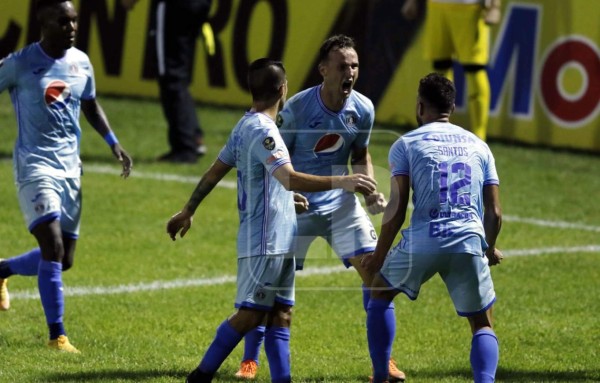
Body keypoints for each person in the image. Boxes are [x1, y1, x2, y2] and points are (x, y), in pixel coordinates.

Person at [166, 58, 377, 383]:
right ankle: (201, 375)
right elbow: (289, 177)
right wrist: (342, 181)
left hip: (281, 238)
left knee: (281, 315)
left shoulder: (244, 126)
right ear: (282, 89)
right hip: (264, 240)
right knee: (251, 314)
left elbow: (216, 172)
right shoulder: (265, 132)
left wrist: (188, 209)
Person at [235, 34, 405, 383]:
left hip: (340, 203)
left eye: (355, 65)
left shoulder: (364, 108)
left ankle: (383, 364)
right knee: (267, 289)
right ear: (323, 70)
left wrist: (369, 190)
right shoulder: (296, 108)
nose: (351, 72)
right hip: (295, 206)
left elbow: (360, 155)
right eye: (343, 66)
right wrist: (283, 196)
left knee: (378, 278)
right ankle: (249, 360)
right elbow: (273, 161)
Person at [0, 0, 132, 352]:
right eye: (63, 21)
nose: (72, 27)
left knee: (64, 258)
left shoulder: (81, 62)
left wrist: (113, 142)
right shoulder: (20, 64)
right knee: (53, 247)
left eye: (74, 21)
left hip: (71, 169)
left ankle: (2, 270)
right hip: (35, 167)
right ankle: (56, 336)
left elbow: (89, 102)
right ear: (44, 22)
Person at [361, 73, 503, 383]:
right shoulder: (480, 146)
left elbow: (396, 208)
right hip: (468, 240)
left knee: (380, 292)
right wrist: (488, 248)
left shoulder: (406, 144)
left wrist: (379, 254)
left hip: (425, 238)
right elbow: (494, 212)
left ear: (420, 105)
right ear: (452, 106)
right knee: (482, 323)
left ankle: (381, 375)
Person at [121, 0, 213, 164]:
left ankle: (185, 147)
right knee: (180, 71)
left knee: (170, 73)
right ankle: (193, 136)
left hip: (174, 6)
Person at [402, 0, 502, 141]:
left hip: (470, 7)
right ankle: (440, 128)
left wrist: (495, 6)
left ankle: (479, 134)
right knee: (440, 68)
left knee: (474, 68)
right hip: (437, 6)